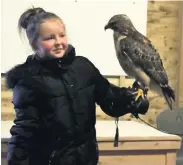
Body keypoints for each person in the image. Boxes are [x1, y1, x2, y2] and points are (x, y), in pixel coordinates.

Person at [5, 7, 149, 165]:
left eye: (62, 35)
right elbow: (25, 132)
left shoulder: (83, 67)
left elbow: (109, 98)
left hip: (86, 160)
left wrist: (130, 100)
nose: (59, 42)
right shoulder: (28, 81)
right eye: (49, 38)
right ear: (34, 44)